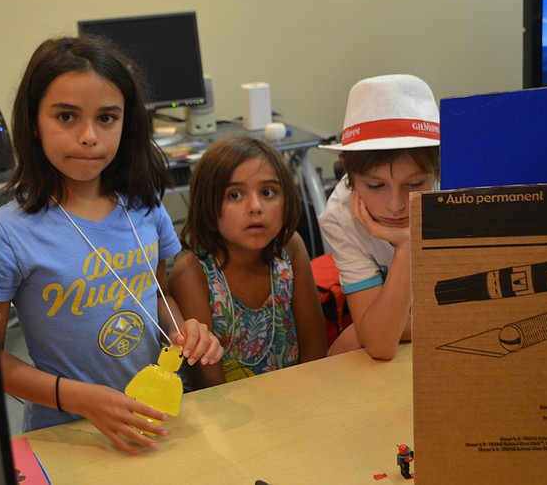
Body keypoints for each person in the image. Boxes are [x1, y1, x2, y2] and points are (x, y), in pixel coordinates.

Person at [0, 35, 224, 455]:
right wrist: (78, 398)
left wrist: (183, 332)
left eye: (107, 118)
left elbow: (158, 292)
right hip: (69, 432)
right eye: (66, 117)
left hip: (162, 419)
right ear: (33, 121)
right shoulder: (5, 233)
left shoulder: (145, 207)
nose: (89, 136)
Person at [168, 136, 328, 389]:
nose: (255, 207)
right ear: (208, 206)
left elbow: (315, 348)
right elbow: (209, 384)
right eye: (235, 195)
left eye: (268, 192)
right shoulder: (191, 273)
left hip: (299, 398)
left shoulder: (290, 249)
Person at [318, 75, 440, 360]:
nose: (396, 205)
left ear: (437, 172)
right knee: (347, 345)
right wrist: (407, 246)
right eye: (375, 186)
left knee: (353, 338)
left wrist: (374, 328)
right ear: (349, 174)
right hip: (424, 324)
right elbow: (380, 343)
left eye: (414, 184)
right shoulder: (340, 216)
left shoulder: (461, 191)